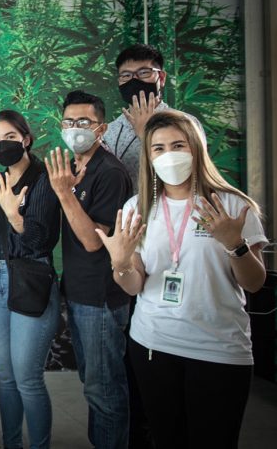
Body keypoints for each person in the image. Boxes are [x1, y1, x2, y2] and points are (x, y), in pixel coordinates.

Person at [96, 111, 267, 449]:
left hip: (219, 349)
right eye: (158, 148)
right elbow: (134, 285)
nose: (168, 154)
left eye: (178, 145)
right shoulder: (137, 208)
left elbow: (254, 283)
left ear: (196, 149)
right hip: (152, 344)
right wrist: (120, 263)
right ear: (149, 156)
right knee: (166, 440)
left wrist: (234, 244)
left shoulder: (231, 206)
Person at [46, 90, 134, 449]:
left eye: (84, 122)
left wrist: (65, 195)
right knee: (92, 382)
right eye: (69, 122)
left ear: (102, 128)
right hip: (80, 292)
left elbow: (94, 241)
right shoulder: (74, 166)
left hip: (101, 298)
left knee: (104, 389)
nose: (75, 128)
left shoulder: (109, 172)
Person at [0, 110, 61, 449]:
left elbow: (39, 241)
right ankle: (10, 443)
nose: (2, 144)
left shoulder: (44, 180)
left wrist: (15, 214)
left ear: (26, 139)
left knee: (28, 378)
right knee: (5, 376)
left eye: (9, 137)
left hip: (30, 277)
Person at [104, 44, 204, 188]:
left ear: (161, 78)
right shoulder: (109, 131)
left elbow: (195, 175)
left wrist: (146, 134)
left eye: (144, 73)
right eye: (126, 75)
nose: (134, 80)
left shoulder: (186, 123)